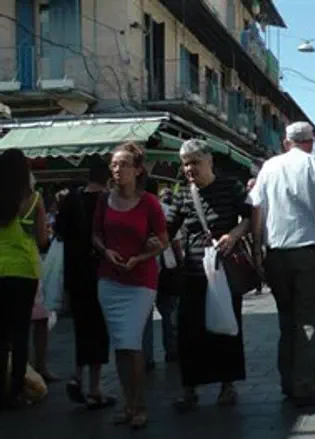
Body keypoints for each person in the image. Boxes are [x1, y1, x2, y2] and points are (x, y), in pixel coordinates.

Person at [250, 121, 315, 407]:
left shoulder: (268, 167)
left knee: (286, 320)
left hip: (275, 254)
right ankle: (303, 386)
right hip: (306, 255)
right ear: (311, 141)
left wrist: (257, 251)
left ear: (285, 141)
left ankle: (288, 382)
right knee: (307, 321)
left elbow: (257, 210)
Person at [166, 139, 251, 411]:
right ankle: (189, 388)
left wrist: (234, 234)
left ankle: (228, 386)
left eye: (195, 162)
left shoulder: (230, 187)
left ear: (209, 161)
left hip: (223, 270)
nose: (190, 168)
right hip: (192, 270)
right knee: (188, 330)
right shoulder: (182, 194)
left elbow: (250, 216)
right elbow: (167, 228)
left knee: (226, 326)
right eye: (186, 163)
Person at [92, 143, 169, 428]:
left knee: (131, 341)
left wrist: (140, 257)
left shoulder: (149, 202)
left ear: (137, 170)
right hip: (109, 279)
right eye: (114, 164)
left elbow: (163, 242)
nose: (117, 169)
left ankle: (139, 405)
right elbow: (96, 235)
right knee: (120, 345)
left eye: (124, 164)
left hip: (140, 281)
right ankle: (128, 402)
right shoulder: (104, 200)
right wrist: (105, 251)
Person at [56, 159, 114, 409]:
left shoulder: (71, 199)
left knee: (82, 327)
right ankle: (94, 388)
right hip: (101, 272)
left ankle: (77, 375)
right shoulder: (109, 201)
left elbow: (58, 232)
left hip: (75, 274)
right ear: (108, 177)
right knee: (99, 330)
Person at [0, 149, 43, 410]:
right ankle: (16, 391)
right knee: (19, 334)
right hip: (25, 272)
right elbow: (43, 239)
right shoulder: (34, 199)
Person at [141, 183, 182, 370]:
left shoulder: (134, 210)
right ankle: (171, 349)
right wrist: (180, 263)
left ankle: (146, 356)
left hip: (144, 267)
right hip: (166, 266)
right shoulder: (165, 209)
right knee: (168, 310)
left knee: (145, 314)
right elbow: (176, 241)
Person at [25, 172, 57, 383]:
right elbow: (43, 238)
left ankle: (15, 374)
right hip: (27, 264)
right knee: (39, 318)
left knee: (10, 325)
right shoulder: (34, 199)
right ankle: (41, 367)